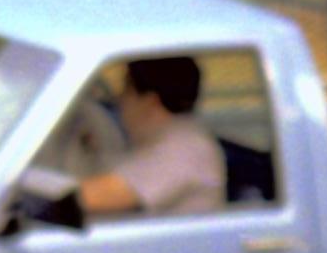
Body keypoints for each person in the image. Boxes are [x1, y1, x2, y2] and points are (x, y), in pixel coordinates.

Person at [71, 54, 224, 219]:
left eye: (126, 92)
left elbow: (85, 198)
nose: (120, 102)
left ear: (150, 102)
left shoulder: (184, 148)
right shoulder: (165, 137)